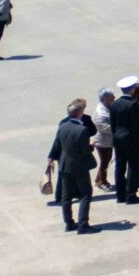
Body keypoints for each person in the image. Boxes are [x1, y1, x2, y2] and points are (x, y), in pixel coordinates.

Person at [43, 98, 96, 232]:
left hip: (65, 165)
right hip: (79, 166)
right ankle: (83, 224)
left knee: (66, 196)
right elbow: (85, 151)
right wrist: (91, 145)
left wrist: (51, 158)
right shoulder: (82, 130)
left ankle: (69, 223)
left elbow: (57, 144)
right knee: (85, 194)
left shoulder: (62, 126)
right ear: (80, 113)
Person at [108, 77, 139, 203]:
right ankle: (131, 195)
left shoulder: (115, 104)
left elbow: (112, 124)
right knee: (132, 167)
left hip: (118, 138)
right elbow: (136, 125)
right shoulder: (133, 104)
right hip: (130, 139)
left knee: (120, 167)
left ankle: (120, 195)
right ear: (132, 89)